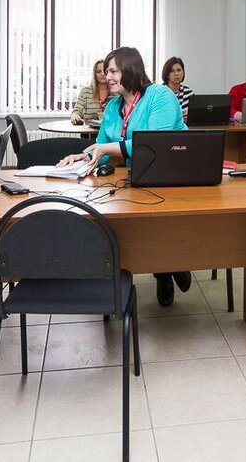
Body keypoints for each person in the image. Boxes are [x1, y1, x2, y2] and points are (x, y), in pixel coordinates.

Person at [57, 46, 191, 307]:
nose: (107, 77)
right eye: (106, 71)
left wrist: (105, 149)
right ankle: (166, 269)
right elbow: (102, 147)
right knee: (138, 224)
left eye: (113, 71)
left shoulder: (160, 96)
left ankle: (173, 264)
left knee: (159, 224)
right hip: (139, 177)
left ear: (131, 70)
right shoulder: (113, 106)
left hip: (173, 176)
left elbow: (154, 143)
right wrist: (83, 157)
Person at [70, 59, 108, 124]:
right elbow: (76, 111)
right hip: (89, 129)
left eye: (105, 71)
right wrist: (75, 116)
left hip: (110, 130)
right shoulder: (86, 91)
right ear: (94, 74)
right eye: (98, 72)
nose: (102, 74)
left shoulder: (116, 93)